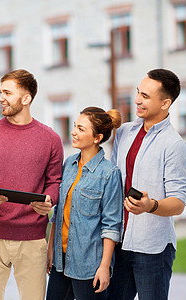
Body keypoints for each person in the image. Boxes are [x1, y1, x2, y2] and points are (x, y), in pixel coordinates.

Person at [0, 69, 64, 300]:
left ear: (26, 98)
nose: (1, 97)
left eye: (7, 93)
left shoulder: (50, 138)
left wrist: (49, 201)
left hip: (32, 238)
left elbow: (55, 182)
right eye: (0, 92)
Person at [107, 69, 186, 300]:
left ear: (165, 103)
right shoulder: (124, 132)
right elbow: (113, 182)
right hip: (118, 242)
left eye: (145, 96)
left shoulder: (175, 146)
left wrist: (150, 206)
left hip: (153, 248)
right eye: (138, 92)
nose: (137, 100)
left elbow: (178, 203)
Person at [46, 107, 124, 300]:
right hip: (60, 260)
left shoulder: (109, 173)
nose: (73, 132)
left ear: (97, 138)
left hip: (89, 264)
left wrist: (105, 266)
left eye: (81, 129)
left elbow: (112, 225)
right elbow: (58, 212)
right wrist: (50, 250)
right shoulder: (69, 164)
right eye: (74, 126)